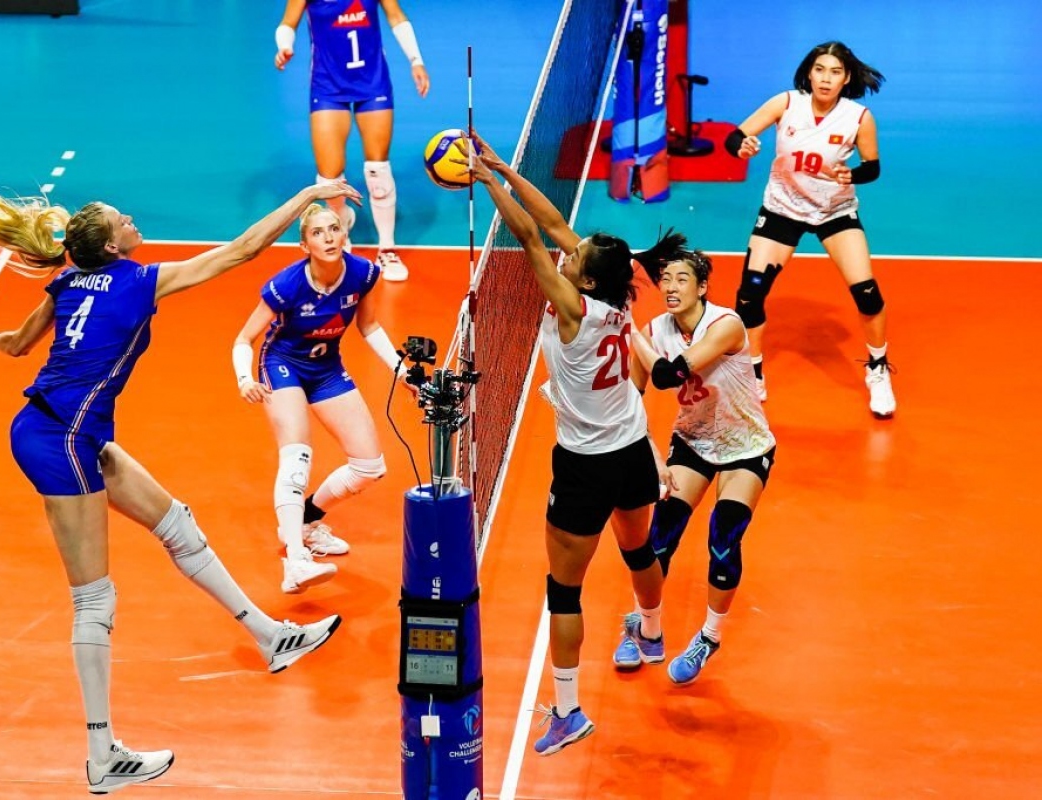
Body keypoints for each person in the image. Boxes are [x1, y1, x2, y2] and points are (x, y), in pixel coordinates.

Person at [0, 182, 356, 794]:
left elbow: (16, 346)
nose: (130, 218)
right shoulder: (136, 281)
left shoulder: (67, 282)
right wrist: (307, 194)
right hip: (61, 441)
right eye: (121, 219)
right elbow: (243, 251)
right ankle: (102, 757)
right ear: (112, 247)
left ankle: (271, 638)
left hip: (68, 431)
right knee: (95, 600)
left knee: (178, 524)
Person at [465, 137, 672, 756]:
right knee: (638, 549)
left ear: (584, 277)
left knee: (564, 591)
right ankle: (653, 632)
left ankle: (568, 710)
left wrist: (488, 184)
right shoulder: (613, 295)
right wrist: (504, 167)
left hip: (585, 466)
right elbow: (554, 225)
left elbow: (531, 238)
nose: (568, 250)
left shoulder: (571, 309)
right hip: (632, 447)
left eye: (575, 256)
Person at [232, 202, 413, 594]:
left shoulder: (363, 273)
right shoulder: (287, 285)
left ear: (344, 234)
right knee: (297, 457)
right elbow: (244, 339)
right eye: (318, 233)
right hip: (282, 365)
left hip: (327, 368)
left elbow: (369, 326)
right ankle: (296, 561)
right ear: (305, 245)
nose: (328, 238)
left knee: (370, 466)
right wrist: (245, 378)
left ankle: (307, 521)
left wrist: (401, 370)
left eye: (334, 229)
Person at [619, 240, 777, 686]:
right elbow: (631, 401)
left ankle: (709, 637)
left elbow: (669, 374)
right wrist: (650, 454)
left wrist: (626, 325)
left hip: (747, 447)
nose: (670, 287)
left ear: (702, 287)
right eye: (665, 279)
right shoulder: (655, 330)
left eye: (682, 279)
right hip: (692, 443)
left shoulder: (726, 325)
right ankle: (644, 625)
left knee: (724, 537)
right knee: (659, 539)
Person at [725, 41, 894, 417]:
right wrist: (743, 147)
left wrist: (852, 175)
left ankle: (878, 369)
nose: (826, 79)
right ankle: (753, 374)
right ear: (809, 73)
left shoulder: (858, 117)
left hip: (835, 211)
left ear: (846, 79)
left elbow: (872, 166)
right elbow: (735, 137)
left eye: (835, 72)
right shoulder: (786, 103)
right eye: (820, 70)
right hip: (782, 209)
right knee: (750, 293)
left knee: (867, 293)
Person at [273, 0, 430, 282]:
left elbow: (396, 17)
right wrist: (285, 46)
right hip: (328, 86)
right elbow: (287, 24)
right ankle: (341, 216)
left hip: (373, 82)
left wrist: (415, 60)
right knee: (329, 177)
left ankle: (387, 248)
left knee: (378, 169)